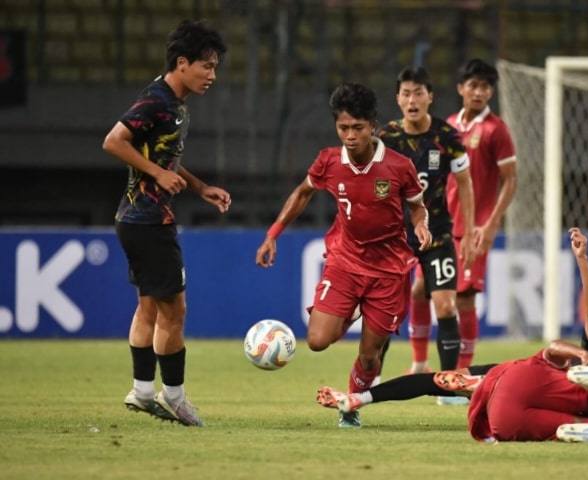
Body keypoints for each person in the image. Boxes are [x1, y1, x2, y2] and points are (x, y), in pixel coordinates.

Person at [317, 227, 588, 443]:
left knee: (439, 380)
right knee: (441, 381)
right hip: (516, 392)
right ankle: (360, 398)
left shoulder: (576, 363)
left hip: (510, 377)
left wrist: (583, 260)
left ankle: (359, 398)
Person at [255, 82, 431, 428]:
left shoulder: (399, 167)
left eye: (358, 128)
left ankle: (350, 407)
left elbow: (417, 207)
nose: (350, 136)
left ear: (373, 127)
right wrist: (273, 234)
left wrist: (421, 225)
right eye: (343, 128)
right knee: (318, 341)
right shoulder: (328, 161)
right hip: (345, 260)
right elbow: (303, 193)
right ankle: (350, 313)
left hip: (389, 271)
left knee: (369, 359)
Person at [103, 20, 230, 427]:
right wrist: (157, 176)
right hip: (148, 220)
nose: (212, 75)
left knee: (149, 308)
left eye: (214, 67)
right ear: (182, 62)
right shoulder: (156, 101)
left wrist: (198, 186)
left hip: (137, 218)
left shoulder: (173, 104)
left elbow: (163, 155)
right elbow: (113, 141)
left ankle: (142, 391)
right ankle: (173, 396)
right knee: (175, 311)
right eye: (206, 66)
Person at [376, 66, 476, 379]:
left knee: (446, 305)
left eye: (419, 92)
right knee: (386, 311)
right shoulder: (386, 138)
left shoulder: (447, 137)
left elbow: (464, 183)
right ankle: (371, 380)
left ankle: (450, 384)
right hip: (395, 237)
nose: (412, 99)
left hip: (437, 235)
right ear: (398, 99)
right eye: (406, 93)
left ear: (430, 97)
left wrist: (469, 232)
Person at [445, 59, 517, 370]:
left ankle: (463, 372)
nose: (478, 92)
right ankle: (420, 363)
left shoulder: (496, 130)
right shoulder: (448, 125)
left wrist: (490, 225)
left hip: (474, 228)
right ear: (461, 88)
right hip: (443, 225)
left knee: (464, 300)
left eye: (485, 87)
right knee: (422, 292)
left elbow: (511, 180)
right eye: (473, 85)